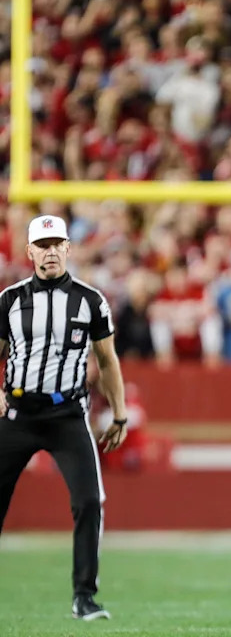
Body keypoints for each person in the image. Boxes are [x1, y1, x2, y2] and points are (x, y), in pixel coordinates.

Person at [0, 215, 128, 620]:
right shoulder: (10, 300)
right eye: (43, 244)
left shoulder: (91, 300)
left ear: (69, 249)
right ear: (30, 252)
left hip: (67, 413)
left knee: (90, 501)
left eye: (57, 244)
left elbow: (107, 360)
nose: (51, 251)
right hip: (17, 414)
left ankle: (84, 596)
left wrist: (120, 414)